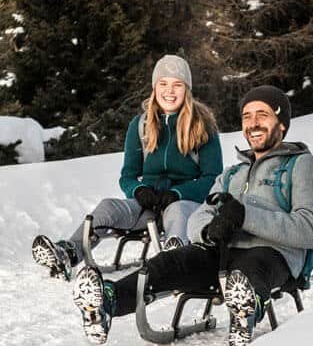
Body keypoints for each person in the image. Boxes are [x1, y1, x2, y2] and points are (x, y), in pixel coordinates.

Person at [71, 85, 313, 346]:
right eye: (247, 116)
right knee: (169, 262)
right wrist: (208, 230)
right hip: (221, 254)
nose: (253, 123)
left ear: (282, 125)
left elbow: (310, 229)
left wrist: (244, 216)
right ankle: (108, 300)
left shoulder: (301, 165)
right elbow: (201, 213)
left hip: (273, 255)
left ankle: (246, 310)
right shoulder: (232, 173)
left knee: (252, 266)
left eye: (262, 115)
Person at [31, 55, 223, 280]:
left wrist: (178, 193)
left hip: (185, 203)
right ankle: (69, 252)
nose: (169, 91)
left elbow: (213, 178)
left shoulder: (202, 127)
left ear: (186, 89)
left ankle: (176, 257)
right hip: (148, 203)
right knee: (108, 207)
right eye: (163, 84)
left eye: (177, 85)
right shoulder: (140, 125)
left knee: (178, 213)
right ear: (154, 87)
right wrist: (138, 191)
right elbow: (128, 176)